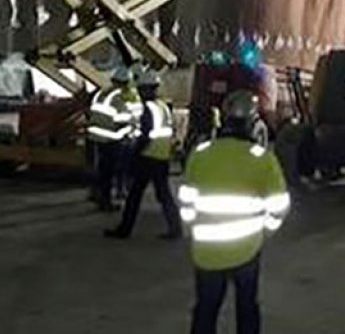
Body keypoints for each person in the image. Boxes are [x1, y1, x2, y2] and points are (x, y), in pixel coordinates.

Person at [180, 90, 289, 334]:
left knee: (206, 308)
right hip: (247, 248)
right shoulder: (262, 159)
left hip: (206, 249)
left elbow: (187, 200)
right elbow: (279, 205)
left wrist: (192, 230)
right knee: (247, 307)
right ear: (253, 123)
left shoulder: (201, 154)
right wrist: (265, 232)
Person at [105, 69, 182, 239]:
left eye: (141, 89)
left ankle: (124, 230)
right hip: (162, 157)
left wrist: (135, 155)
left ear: (146, 89)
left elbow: (146, 135)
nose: (140, 92)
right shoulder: (163, 106)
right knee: (163, 195)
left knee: (135, 195)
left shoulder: (148, 108)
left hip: (148, 157)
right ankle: (175, 228)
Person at [86, 65, 139, 211]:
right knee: (110, 170)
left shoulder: (102, 93)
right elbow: (122, 121)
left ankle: (97, 194)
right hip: (111, 139)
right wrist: (131, 132)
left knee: (102, 168)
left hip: (96, 137)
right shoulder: (119, 98)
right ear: (126, 82)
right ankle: (106, 201)